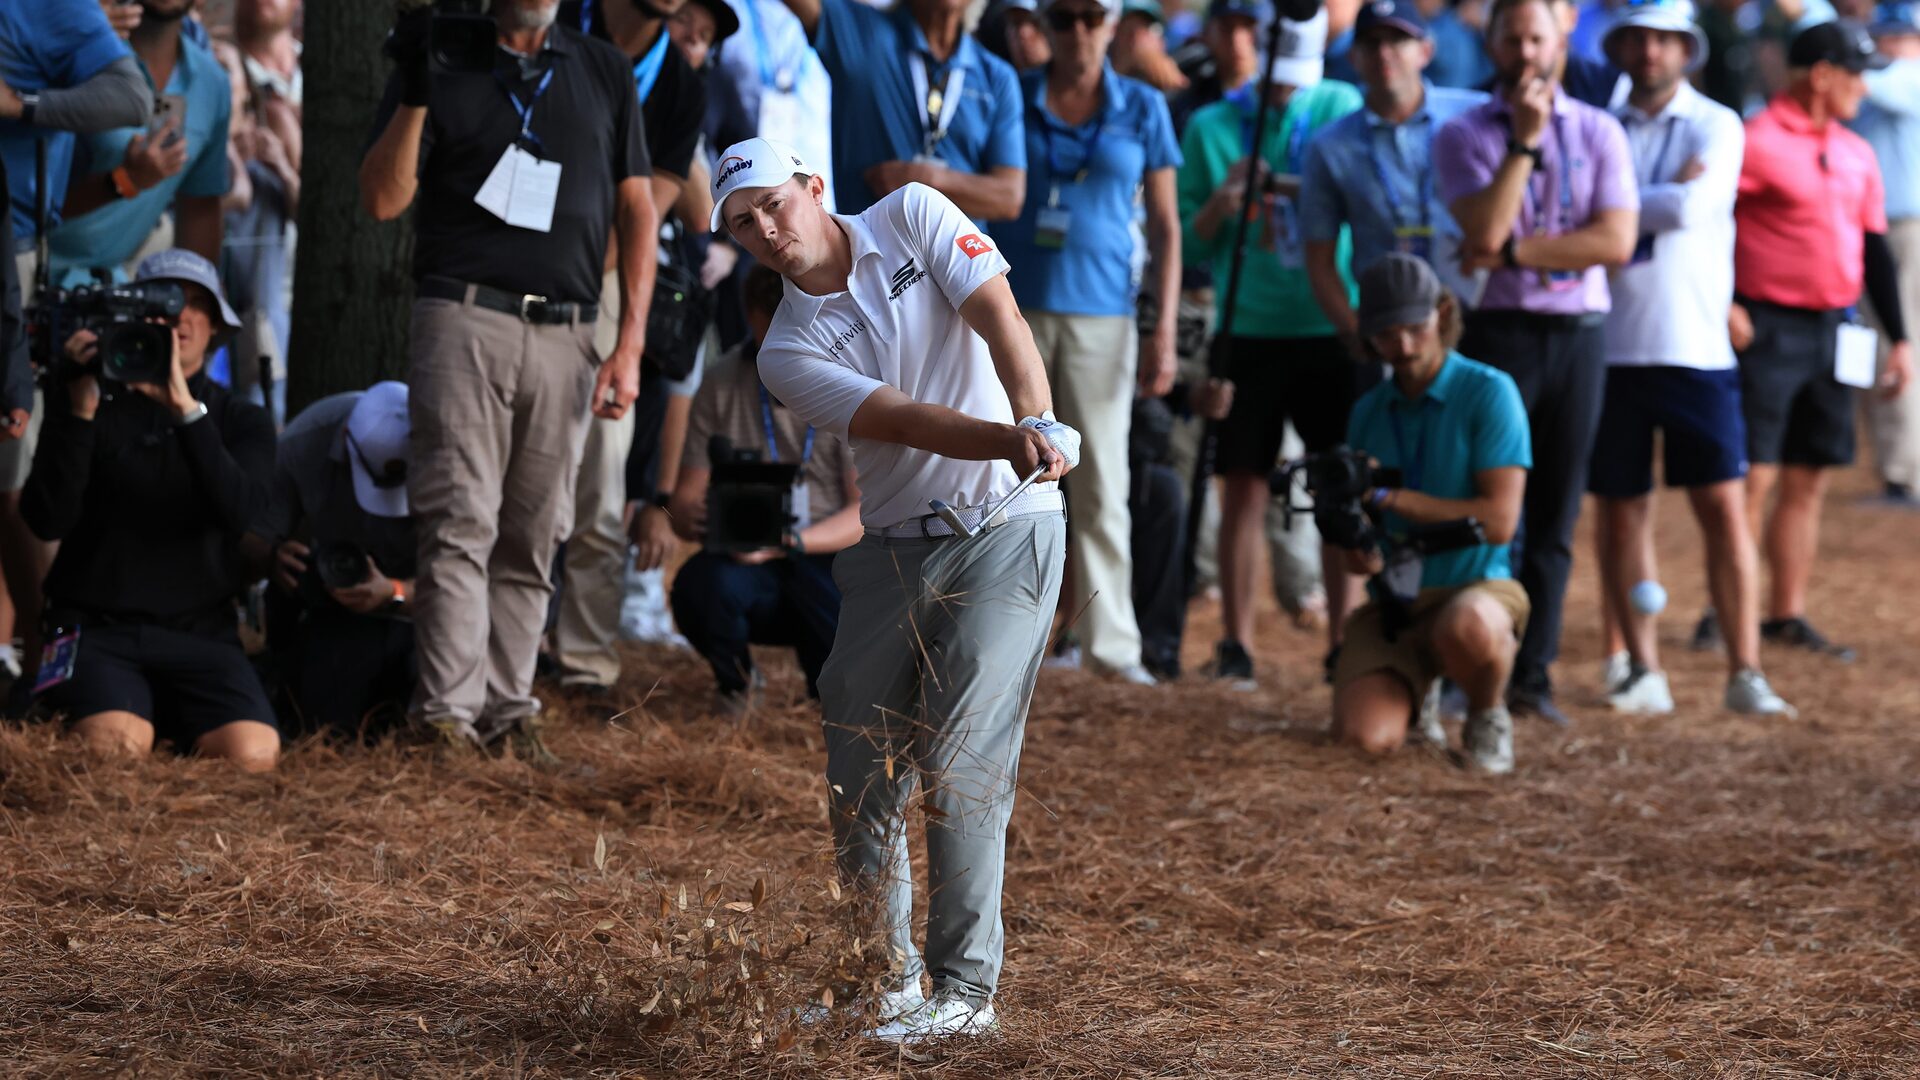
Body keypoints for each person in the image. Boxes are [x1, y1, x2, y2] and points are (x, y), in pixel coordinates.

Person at [713, 138, 1073, 1040]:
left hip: (1006, 526)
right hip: (891, 554)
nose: (765, 229)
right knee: (858, 769)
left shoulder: (911, 211)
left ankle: (964, 993)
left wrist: (1033, 416)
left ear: (813, 186)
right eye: (741, 223)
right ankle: (884, 979)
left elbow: (1000, 315)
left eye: (772, 203)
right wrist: (1006, 436)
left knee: (959, 759)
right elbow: (901, 419)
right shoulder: (785, 347)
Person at [359, 0, 657, 751]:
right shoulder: (443, 51)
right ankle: (447, 719)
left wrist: (629, 345)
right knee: (461, 520)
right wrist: (420, 83)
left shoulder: (602, 67)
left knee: (535, 529)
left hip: (570, 330)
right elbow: (382, 197)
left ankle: (507, 710)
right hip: (462, 319)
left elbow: (639, 211)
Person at [1433, 0, 1638, 725]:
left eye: (1537, 37)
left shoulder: (1602, 130)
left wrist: (1514, 252)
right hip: (1502, 334)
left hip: (1580, 334)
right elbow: (1480, 226)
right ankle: (1471, 664)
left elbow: (1614, 240)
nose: (1525, 51)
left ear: (1562, 38)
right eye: (1512, 37)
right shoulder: (1462, 133)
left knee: (1555, 512)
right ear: (1491, 43)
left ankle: (1534, 677)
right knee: (1491, 511)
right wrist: (1522, 144)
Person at [1588, 0, 1794, 718]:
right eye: (1639, 38)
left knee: (1722, 508)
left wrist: (1609, 208)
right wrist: (1648, 199)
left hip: (1695, 345)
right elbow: (1654, 205)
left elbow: (1690, 209)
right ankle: (1641, 666)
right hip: (1609, 343)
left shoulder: (1718, 123)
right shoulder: (1601, 123)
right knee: (1619, 514)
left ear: (1687, 49)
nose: (1650, 52)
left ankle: (1746, 670)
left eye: (1664, 39)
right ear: (1621, 46)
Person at [23, 249, 278, 771]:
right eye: (158, 302)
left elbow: (244, 515)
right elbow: (47, 517)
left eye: (193, 303)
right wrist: (77, 409)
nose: (176, 315)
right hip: (97, 626)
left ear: (215, 326)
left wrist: (185, 409)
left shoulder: (240, 419)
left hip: (200, 632)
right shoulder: (92, 396)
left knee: (253, 756)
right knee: (113, 751)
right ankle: (131, 712)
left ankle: (169, 718)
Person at [1178, 7, 1369, 687]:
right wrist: (1226, 199)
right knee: (1243, 489)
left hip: (1329, 323)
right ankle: (1235, 642)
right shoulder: (1210, 126)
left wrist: (1287, 184)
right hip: (1248, 327)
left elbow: (1357, 191)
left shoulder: (1342, 105)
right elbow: (1191, 241)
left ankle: (1348, 642)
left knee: (1339, 487)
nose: (1284, 94)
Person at [996, 0, 1181, 685]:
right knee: (1006, 473)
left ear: (1115, 24)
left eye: (1091, 16)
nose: (1078, 29)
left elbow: (1165, 224)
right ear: (1044, 22)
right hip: (1010, 311)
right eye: (1065, 15)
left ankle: (1110, 645)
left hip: (1104, 314)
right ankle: (1008, 638)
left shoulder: (1142, 105)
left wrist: (1162, 328)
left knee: (1102, 480)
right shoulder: (1011, 93)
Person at [547, 0, 723, 698]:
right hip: (496, 274)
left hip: (604, 283)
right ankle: (494, 657)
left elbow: (646, 211)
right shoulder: (550, 20)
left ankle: (584, 667)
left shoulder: (681, 86)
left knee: (599, 486)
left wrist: (586, 298)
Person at [1726, 19, 1911, 662]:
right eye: (1857, 74)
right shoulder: (1753, 141)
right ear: (1824, 76)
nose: (1864, 87)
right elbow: (1708, 226)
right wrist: (1724, 302)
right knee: (1753, 477)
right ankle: (1732, 609)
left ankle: (1785, 613)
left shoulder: (1856, 150)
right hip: (1768, 328)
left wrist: (1902, 338)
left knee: (1809, 479)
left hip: (1837, 328)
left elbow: (1873, 249)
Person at [0, 0, 152, 690]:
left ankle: (45, 667)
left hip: (13, 251)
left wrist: (23, 105)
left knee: (9, 479)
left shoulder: (45, 3)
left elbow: (131, 97)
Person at [1334, 254, 1530, 773]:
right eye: (1385, 334)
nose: (1402, 347)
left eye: (1414, 328)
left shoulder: (1489, 392)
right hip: (1397, 605)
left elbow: (1499, 521)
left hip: (1476, 587)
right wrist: (1350, 534)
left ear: (1443, 314)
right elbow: (1359, 563)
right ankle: (1416, 696)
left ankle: (1487, 713)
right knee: (1364, 739)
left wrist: (1391, 500)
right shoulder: (1367, 412)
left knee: (1467, 626)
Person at [666, 265, 859, 706]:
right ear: (749, 315)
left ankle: (830, 692)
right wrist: (697, 516)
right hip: (747, 554)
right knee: (699, 587)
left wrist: (788, 540)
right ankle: (738, 686)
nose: (777, 347)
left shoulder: (847, 380)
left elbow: (865, 514)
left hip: (826, 554)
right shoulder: (721, 381)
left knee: (836, 679)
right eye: (767, 332)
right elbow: (683, 500)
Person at [1300, 0, 1489, 339]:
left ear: (1426, 51)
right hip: (1390, 325)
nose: (1384, 53)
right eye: (1371, 43)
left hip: (1481, 311)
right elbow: (1318, 256)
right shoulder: (1330, 145)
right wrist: (1353, 330)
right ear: (1353, 57)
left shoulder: (1474, 117)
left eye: (1398, 40)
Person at [249, 383, 419, 738]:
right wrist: (274, 558)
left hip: (420, 616)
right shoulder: (305, 442)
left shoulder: (451, 455)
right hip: (330, 610)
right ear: (344, 440)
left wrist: (395, 592)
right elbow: (252, 536)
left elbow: (470, 587)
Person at [778, 0, 1027, 221]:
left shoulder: (996, 77)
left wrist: (924, 179)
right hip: (873, 264)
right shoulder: (862, 33)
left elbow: (1008, 198)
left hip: (962, 268)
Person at [49, 0, 233, 278]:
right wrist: (125, 180)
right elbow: (29, 196)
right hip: (23, 272)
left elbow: (200, 206)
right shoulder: (77, 50)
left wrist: (195, 305)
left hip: (110, 291)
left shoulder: (213, 84)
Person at [1853, 3, 1920, 506]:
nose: (1889, 43)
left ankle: (1903, 473)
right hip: (1879, 228)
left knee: (1894, 344)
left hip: (1901, 228)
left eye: (1900, 35)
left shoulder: (1907, 78)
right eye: (1885, 34)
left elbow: (1868, 80)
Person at [1169, 0, 1268, 135]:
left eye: (1246, 27)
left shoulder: (1272, 97)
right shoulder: (1191, 96)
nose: (1236, 40)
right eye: (1226, 28)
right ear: (1207, 35)